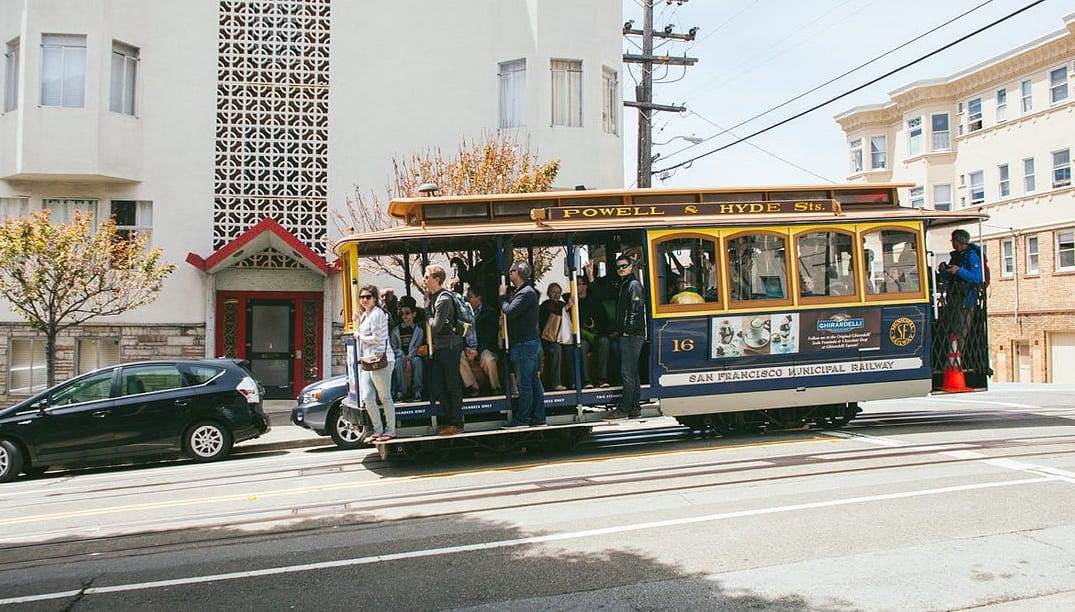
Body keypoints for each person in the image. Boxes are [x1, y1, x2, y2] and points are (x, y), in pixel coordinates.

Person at [499, 259, 545, 428]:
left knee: (524, 383)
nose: (509, 274)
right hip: (527, 343)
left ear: (517, 273)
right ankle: (539, 417)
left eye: (511, 271)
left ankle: (523, 419)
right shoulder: (525, 291)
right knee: (533, 381)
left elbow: (510, 311)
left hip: (524, 344)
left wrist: (502, 297)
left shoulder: (526, 293)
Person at [425, 264, 465, 436]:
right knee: (436, 385)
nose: (424, 279)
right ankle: (451, 420)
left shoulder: (443, 300)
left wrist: (426, 310)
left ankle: (456, 423)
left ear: (437, 279)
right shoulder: (435, 297)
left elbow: (435, 327)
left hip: (449, 346)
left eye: (427, 277)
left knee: (452, 385)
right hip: (441, 347)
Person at [354, 284, 396, 443]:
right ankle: (378, 429)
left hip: (381, 359)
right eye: (362, 297)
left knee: (385, 396)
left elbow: (377, 338)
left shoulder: (377, 314)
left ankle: (391, 430)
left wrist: (359, 336)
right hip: (367, 360)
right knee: (368, 397)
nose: (364, 300)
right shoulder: (365, 314)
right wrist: (357, 323)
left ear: (375, 298)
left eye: (368, 297)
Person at [609, 254, 646, 419]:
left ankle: (624, 408)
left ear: (631, 267)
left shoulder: (633, 285)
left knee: (627, 373)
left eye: (624, 266)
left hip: (632, 335)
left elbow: (636, 308)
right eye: (618, 267)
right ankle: (635, 407)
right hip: (631, 333)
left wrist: (628, 330)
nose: (621, 269)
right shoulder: (626, 284)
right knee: (633, 372)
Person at [936, 228, 984, 346]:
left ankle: (957, 359)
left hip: (966, 300)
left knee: (960, 332)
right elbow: (951, 275)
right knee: (951, 330)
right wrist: (944, 270)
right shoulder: (957, 256)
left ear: (958, 241)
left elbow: (977, 277)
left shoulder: (971, 256)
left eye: (953, 240)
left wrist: (959, 271)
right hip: (954, 298)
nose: (952, 242)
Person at [460, 285, 501, 394]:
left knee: (489, 360)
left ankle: (495, 388)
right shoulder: (463, 313)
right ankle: (474, 387)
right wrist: (466, 348)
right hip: (468, 348)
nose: (467, 299)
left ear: (479, 298)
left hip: (484, 348)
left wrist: (477, 350)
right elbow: (460, 334)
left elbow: (490, 336)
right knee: (458, 356)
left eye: (470, 296)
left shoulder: (489, 313)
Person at [574, 274, 611, 388]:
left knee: (604, 342)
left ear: (585, 286)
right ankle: (586, 381)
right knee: (582, 346)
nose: (576, 287)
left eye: (579, 284)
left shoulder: (595, 302)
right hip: (582, 337)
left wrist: (595, 327)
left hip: (597, 334)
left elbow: (605, 322)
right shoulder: (573, 303)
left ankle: (602, 379)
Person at [393, 304, 425, 401]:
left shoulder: (418, 330)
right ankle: (401, 391)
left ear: (414, 314)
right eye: (402, 314)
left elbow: (417, 346)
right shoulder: (396, 331)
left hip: (413, 355)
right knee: (398, 363)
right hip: (400, 356)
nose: (404, 316)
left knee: (417, 362)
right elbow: (393, 347)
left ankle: (417, 391)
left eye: (407, 313)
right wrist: (402, 355)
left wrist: (410, 356)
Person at [538, 282, 567, 390]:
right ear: (548, 293)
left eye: (559, 292)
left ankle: (573, 382)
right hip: (548, 342)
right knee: (556, 348)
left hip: (563, 339)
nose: (556, 295)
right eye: (554, 292)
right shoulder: (544, 307)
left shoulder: (562, 305)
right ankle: (556, 383)